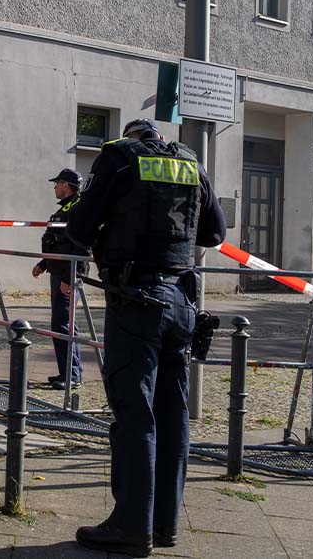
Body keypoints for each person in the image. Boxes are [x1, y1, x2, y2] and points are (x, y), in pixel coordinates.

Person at [66, 119, 226, 557]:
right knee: (173, 416)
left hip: (137, 299)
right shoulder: (191, 163)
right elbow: (214, 233)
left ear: (132, 138)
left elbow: (79, 229)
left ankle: (131, 527)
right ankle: (165, 526)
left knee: (135, 414)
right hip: (182, 302)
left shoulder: (118, 160)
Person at [32, 168, 88, 390]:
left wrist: (70, 276)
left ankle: (73, 375)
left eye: (57, 184)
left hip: (67, 276)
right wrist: (43, 264)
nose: (55, 187)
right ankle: (66, 371)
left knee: (65, 324)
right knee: (60, 324)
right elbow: (57, 242)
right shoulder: (65, 210)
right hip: (58, 273)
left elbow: (81, 246)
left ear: (66, 185)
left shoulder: (76, 209)